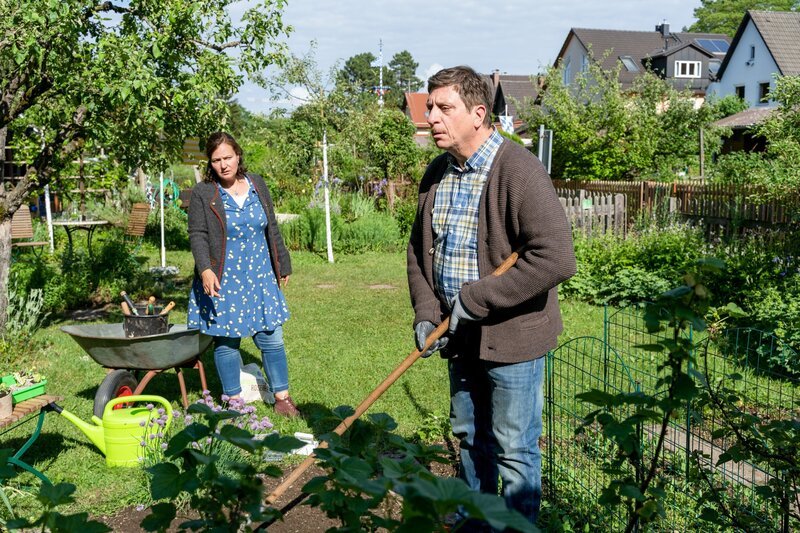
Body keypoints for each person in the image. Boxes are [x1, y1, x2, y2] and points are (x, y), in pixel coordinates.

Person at [407, 66, 576, 527]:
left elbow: (556, 258)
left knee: (514, 448)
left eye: (445, 108)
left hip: (512, 341)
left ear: (478, 113)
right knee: (469, 439)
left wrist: (478, 298)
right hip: (458, 337)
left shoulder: (518, 169)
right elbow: (419, 253)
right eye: (431, 108)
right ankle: (472, 524)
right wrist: (427, 313)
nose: (433, 118)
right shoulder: (438, 171)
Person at [187, 131, 300, 417]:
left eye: (227, 157)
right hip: (224, 276)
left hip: (260, 274)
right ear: (210, 164)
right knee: (227, 340)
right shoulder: (204, 192)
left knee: (271, 337)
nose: (223, 165)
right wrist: (205, 269)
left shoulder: (257, 184)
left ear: (238, 155)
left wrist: (282, 263)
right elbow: (197, 234)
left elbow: (271, 226)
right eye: (216, 160)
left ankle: (282, 398)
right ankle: (234, 402)